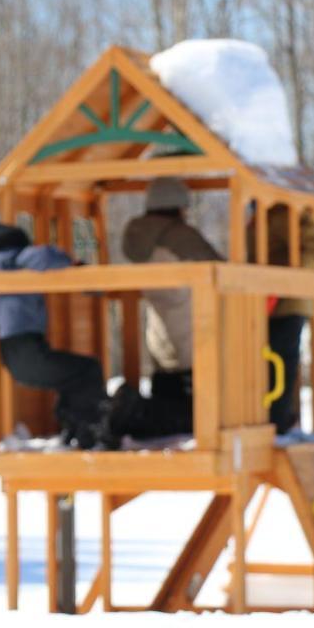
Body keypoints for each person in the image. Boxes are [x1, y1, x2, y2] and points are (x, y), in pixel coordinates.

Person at [0, 222, 110, 448]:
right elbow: (43, 257)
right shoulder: (17, 260)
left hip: (14, 348)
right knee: (87, 370)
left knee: (73, 376)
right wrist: (74, 264)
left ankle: (75, 429)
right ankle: (90, 434)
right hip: (24, 348)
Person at [118, 178, 221, 438]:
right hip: (193, 332)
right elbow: (219, 269)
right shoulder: (179, 236)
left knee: (167, 404)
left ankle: (132, 413)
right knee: (192, 415)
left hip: (159, 336)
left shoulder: (138, 239)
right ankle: (130, 411)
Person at [249, 205, 314, 434]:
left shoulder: (283, 215)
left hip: (287, 303)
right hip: (264, 303)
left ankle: (279, 419)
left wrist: (283, 282)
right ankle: (271, 416)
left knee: (282, 362)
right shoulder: (261, 216)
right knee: (270, 363)